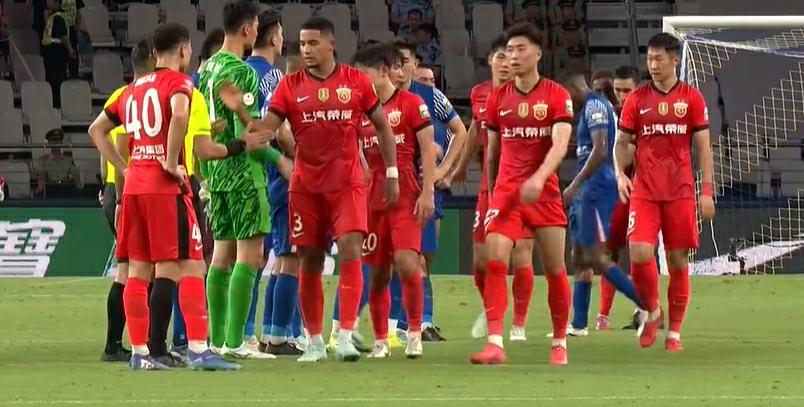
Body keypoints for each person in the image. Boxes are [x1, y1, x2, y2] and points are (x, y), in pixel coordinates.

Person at [88, 22, 254, 371]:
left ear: (153, 53)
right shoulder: (180, 83)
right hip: (165, 188)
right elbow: (179, 114)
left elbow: (97, 130)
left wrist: (125, 168)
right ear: (183, 50)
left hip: (135, 187)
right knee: (191, 264)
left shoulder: (131, 90)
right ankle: (198, 348)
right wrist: (168, 159)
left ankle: (140, 353)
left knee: (138, 270)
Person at [243, 16, 400, 362]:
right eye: (302, 44)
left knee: (351, 250)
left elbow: (382, 126)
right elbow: (264, 131)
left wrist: (392, 173)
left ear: (331, 45)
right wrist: (244, 118)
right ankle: (313, 341)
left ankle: (344, 336)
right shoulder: (289, 86)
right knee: (310, 260)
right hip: (306, 187)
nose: (306, 50)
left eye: (313, 43)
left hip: (347, 185)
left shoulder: (356, 82)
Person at [471, 23, 573, 366]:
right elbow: (492, 152)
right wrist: (493, 193)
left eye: (520, 49)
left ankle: (559, 342)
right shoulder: (497, 98)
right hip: (506, 193)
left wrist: (540, 178)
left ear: (538, 54)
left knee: (555, 268)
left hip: (544, 194)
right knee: (495, 258)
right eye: (509, 51)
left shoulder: (557, 95)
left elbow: (560, 144)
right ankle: (495, 343)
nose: (513, 56)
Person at [614, 33, 714, 351]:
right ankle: (654, 312)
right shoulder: (637, 99)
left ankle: (675, 334)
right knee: (639, 252)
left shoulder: (692, 99)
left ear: (675, 60)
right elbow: (621, 143)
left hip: (680, 191)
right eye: (649, 59)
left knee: (677, 260)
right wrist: (619, 173)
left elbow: (704, 147)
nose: (653, 65)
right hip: (644, 190)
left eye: (659, 59)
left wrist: (706, 190)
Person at [197, 0, 282, 359]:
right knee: (250, 257)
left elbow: (208, 126)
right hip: (244, 174)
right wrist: (282, 160)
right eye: (257, 27)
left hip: (215, 176)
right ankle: (235, 343)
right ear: (248, 29)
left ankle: (216, 340)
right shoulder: (243, 72)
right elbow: (250, 135)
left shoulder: (208, 68)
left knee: (221, 256)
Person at [449, 36, 536, 342]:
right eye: (499, 57)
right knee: (481, 261)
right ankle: (491, 310)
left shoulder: (527, 96)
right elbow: (476, 129)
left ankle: (518, 324)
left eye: (509, 58)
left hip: (522, 187)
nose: (505, 63)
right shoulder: (480, 94)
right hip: (490, 187)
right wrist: (461, 167)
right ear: (490, 62)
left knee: (521, 255)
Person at [353, 43, 436, 359]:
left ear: (383, 72)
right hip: (372, 197)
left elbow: (427, 149)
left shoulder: (412, 104)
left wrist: (428, 192)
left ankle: (413, 332)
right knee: (377, 273)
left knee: (407, 262)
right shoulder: (361, 111)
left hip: (405, 192)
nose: (359, 82)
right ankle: (380, 340)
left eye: (363, 75)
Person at [391, 38, 468, 342]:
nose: (400, 68)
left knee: (422, 258)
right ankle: (401, 324)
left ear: (415, 64)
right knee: (397, 259)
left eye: (405, 61)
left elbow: (460, 130)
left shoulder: (430, 96)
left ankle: (422, 321)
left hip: (424, 188)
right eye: (394, 62)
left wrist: (443, 170)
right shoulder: (380, 96)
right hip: (392, 188)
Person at [559, 72, 644, 337]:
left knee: (596, 256)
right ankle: (579, 324)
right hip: (590, 187)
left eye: (566, 97)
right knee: (579, 258)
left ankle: (648, 306)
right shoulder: (592, 106)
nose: (567, 104)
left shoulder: (595, 106)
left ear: (574, 88)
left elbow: (601, 149)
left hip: (595, 188)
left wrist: (575, 185)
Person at [241, 10, 303, 356]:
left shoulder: (236, 70)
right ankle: (267, 334)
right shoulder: (273, 77)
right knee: (278, 255)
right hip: (271, 176)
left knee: (246, 257)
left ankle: (248, 332)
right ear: (274, 37)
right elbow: (278, 127)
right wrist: (294, 157)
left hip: (236, 174)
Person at [98, 39, 154, 363]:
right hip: (128, 191)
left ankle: (118, 344)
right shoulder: (137, 96)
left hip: (117, 188)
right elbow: (121, 145)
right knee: (133, 270)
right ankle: (127, 343)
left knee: (129, 268)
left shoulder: (119, 95)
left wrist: (106, 184)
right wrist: (120, 196)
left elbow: (102, 142)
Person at [598, 64, 640, 331]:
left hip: (639, 192)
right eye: (618, 90)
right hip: (611, 194)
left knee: (640, 249)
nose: (622, 96)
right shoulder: (607, 117)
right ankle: (603, 315)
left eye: (627, 91)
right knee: (609, 252)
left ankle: (642, 309)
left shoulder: (644, 116)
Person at [41, 0, 74, 107]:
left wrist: (70, 50)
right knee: (51, 79)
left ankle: (57, 104)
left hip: (56, 54)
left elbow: (63, 37)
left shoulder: (58, 17)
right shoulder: (52, 16)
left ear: (56, 3)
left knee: (56, 80)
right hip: (51, 53)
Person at [35, 128, 82, 198]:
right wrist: (40, 188)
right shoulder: (43, 160)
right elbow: (41, 177)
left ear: (61, 142)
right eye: (53, 140)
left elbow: (75, 175)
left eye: (58, 140)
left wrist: (79, 187)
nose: (56, 143)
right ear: (49, 143)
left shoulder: (68, 159)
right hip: (51, 188)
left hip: (66, 188)